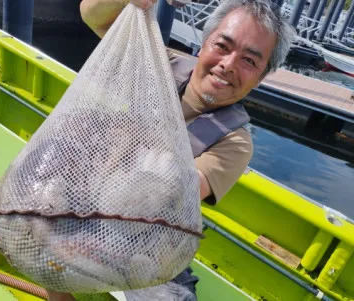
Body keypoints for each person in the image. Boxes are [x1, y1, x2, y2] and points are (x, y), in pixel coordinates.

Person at [47, 0, 295, 300]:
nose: (228, 65)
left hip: (146, 240)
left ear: (259, 79)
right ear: (202, 45)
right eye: (222, 45)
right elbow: (92, 15)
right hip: (86, 202)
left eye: (249, 61)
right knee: (41, 211)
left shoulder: (236, 143)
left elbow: (170, 192)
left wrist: (96, 245)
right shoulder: (158, 64)